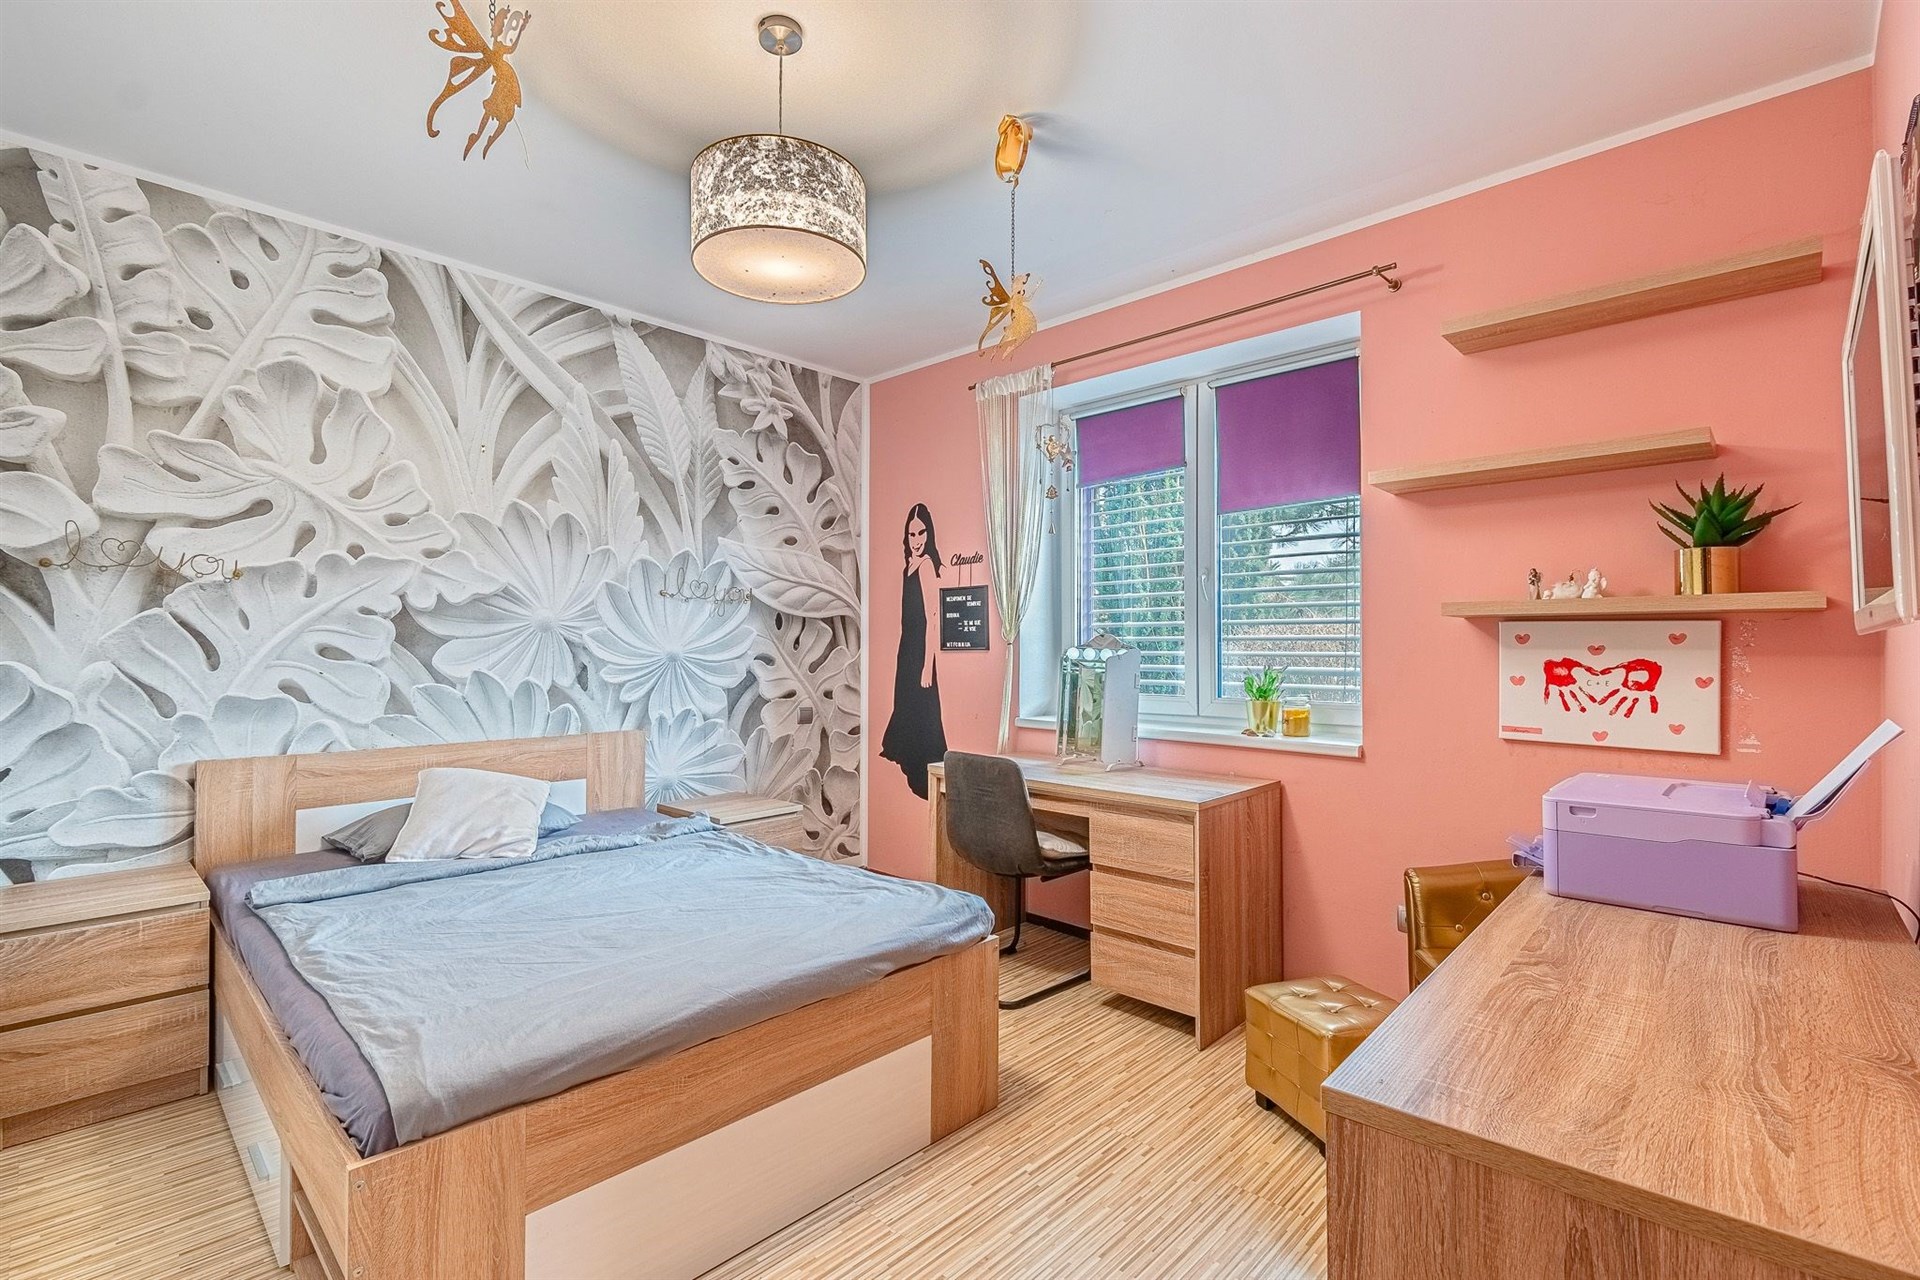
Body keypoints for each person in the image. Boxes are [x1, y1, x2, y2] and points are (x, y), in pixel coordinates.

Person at [880, 503, 948, 799]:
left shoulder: (926, 566)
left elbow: (933, 618)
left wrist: (926, 665)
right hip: (906, 648)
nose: (917, 539)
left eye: (921, 533)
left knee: (923, 712)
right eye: (912, 534)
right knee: (906, 706)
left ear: (928, 534)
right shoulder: (908, 567)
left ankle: (925, 773)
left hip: (920, 651)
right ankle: (912, 762)